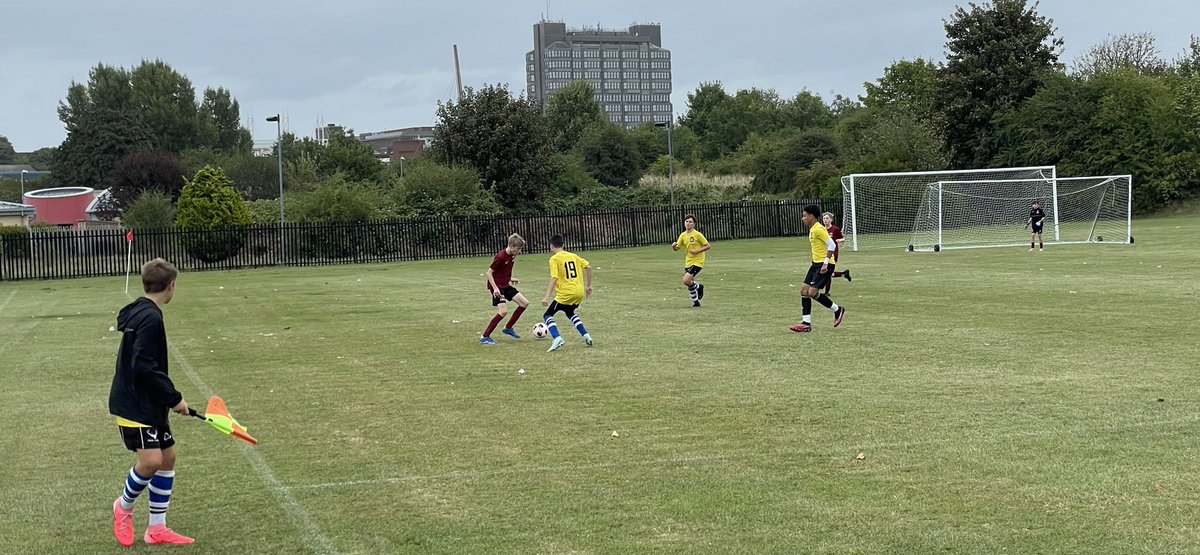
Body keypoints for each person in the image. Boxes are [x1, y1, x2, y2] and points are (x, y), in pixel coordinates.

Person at [109, 258, 195, 546]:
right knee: (152, 461)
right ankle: (123, 507)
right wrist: (174, 398)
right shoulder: (150, 318)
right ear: (171, 286)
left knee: (167, 458)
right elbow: (143, 365)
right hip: (134, 404)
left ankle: (157, 528)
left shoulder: (141, 310)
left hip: (149, 402)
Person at [790, 205, 846, 333]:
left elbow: (832, 245)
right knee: (804, 291)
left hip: (825, 264)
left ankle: (837, 310)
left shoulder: (819, 229)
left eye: (804, 216)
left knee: (812, 292)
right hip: (815, 264)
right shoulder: (813, 228)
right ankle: (806, 323)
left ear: (811, 216)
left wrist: (825, 263)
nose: (803, 218)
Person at [541, 234, 594, 352]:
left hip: (566, 293)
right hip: (579, 292)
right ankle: (586, 335)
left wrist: (547, 297)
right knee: (570, 312)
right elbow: (589, 267)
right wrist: (588, 286)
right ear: (563, 245)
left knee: (548, 315)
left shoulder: (554, 259)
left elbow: (554, 277)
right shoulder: (573, 256)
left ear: (551, 246)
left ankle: (557, 338)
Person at [480, 233, 530, 346]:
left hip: (505, 285)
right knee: (503, 311)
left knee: (524, 303)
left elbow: (502, 271)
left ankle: (508, 328)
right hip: (497, 287)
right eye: (518, 249)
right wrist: (495, 289)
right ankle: (485, 337)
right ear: (511, 246)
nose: (519, 251)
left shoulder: (512, 255)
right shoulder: (500, 257)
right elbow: (489, 273)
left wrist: (510, 278)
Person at [671, 214, 710, 308]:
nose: (688, 223)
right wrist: (673, 246)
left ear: (694, 224)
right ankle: (696, 302)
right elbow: (677, 248)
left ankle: (699, 287)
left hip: (698, 261)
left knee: (686, 280)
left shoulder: (697, 234)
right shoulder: (683, 235)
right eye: (686, 221)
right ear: (684, 223)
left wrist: (697, 251)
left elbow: (708, 246)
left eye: (690, 222)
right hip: (688, 261)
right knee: (690, 283)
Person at [821, 212, 852, 294]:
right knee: (827, 273)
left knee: (827, 273)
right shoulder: (821, 229)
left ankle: (827, 292)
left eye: (827, 218)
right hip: (823, 253)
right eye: (824, 218)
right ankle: (843, 274)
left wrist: (839, 240)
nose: (825, 220)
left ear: (831, 220)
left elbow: (843, 238)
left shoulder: (835, 229)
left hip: (833, 253)